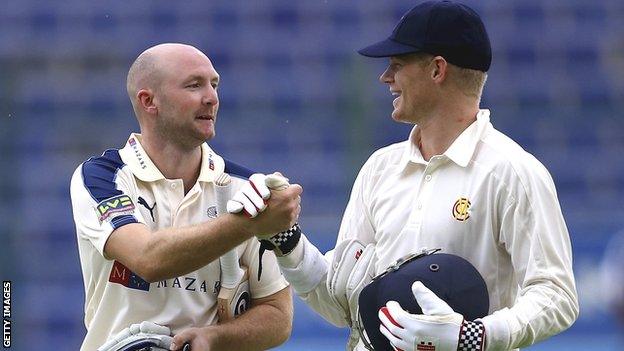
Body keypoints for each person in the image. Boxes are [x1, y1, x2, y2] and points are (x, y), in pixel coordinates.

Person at [250, 2, 579, 350]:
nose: (385, 77)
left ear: (438, 70)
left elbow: (556, 294)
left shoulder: (512, 171)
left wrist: (474, 337)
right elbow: (344, 306)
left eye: (397, 64)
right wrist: (285, 239)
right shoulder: (380, 168)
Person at [69, 43, 302, 351]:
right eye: (194, 85)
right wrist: (248, 224)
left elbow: (278, 316)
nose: (212, 97)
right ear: (149, 100)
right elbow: (148, 259)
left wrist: (215, 338)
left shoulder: (245, 188)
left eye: (214, 85)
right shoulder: (101, 177)